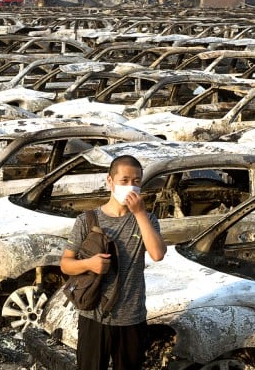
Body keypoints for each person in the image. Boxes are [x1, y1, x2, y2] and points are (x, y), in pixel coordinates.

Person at [60, 155, 167, 370]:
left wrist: (140, 214)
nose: (131, 186)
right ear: (110, 181)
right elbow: (65, 264)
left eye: (136, 181)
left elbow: (157, 254)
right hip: (94, 316)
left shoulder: (147, 219)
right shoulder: (87, 220)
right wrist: (89, 264)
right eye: (124, 180)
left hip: (131, 318)